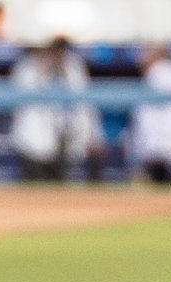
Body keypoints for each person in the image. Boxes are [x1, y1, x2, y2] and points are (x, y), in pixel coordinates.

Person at [9, 36, 105, 181]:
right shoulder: (27, 67)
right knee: (31, 188)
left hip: (64, 138)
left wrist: (94, 134)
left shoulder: (73, 65)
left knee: (59, 186)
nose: (57, 54)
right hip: (32, 140)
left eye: (61, 49)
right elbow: (19, 103)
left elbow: (85, 104)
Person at [130, 46, 171, 183]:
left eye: (145, 53)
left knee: (163, 179)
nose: (141, 58)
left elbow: (151, 113)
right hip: (170, 137)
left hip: (164, 138)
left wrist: (150, 144)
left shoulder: (161, 71)